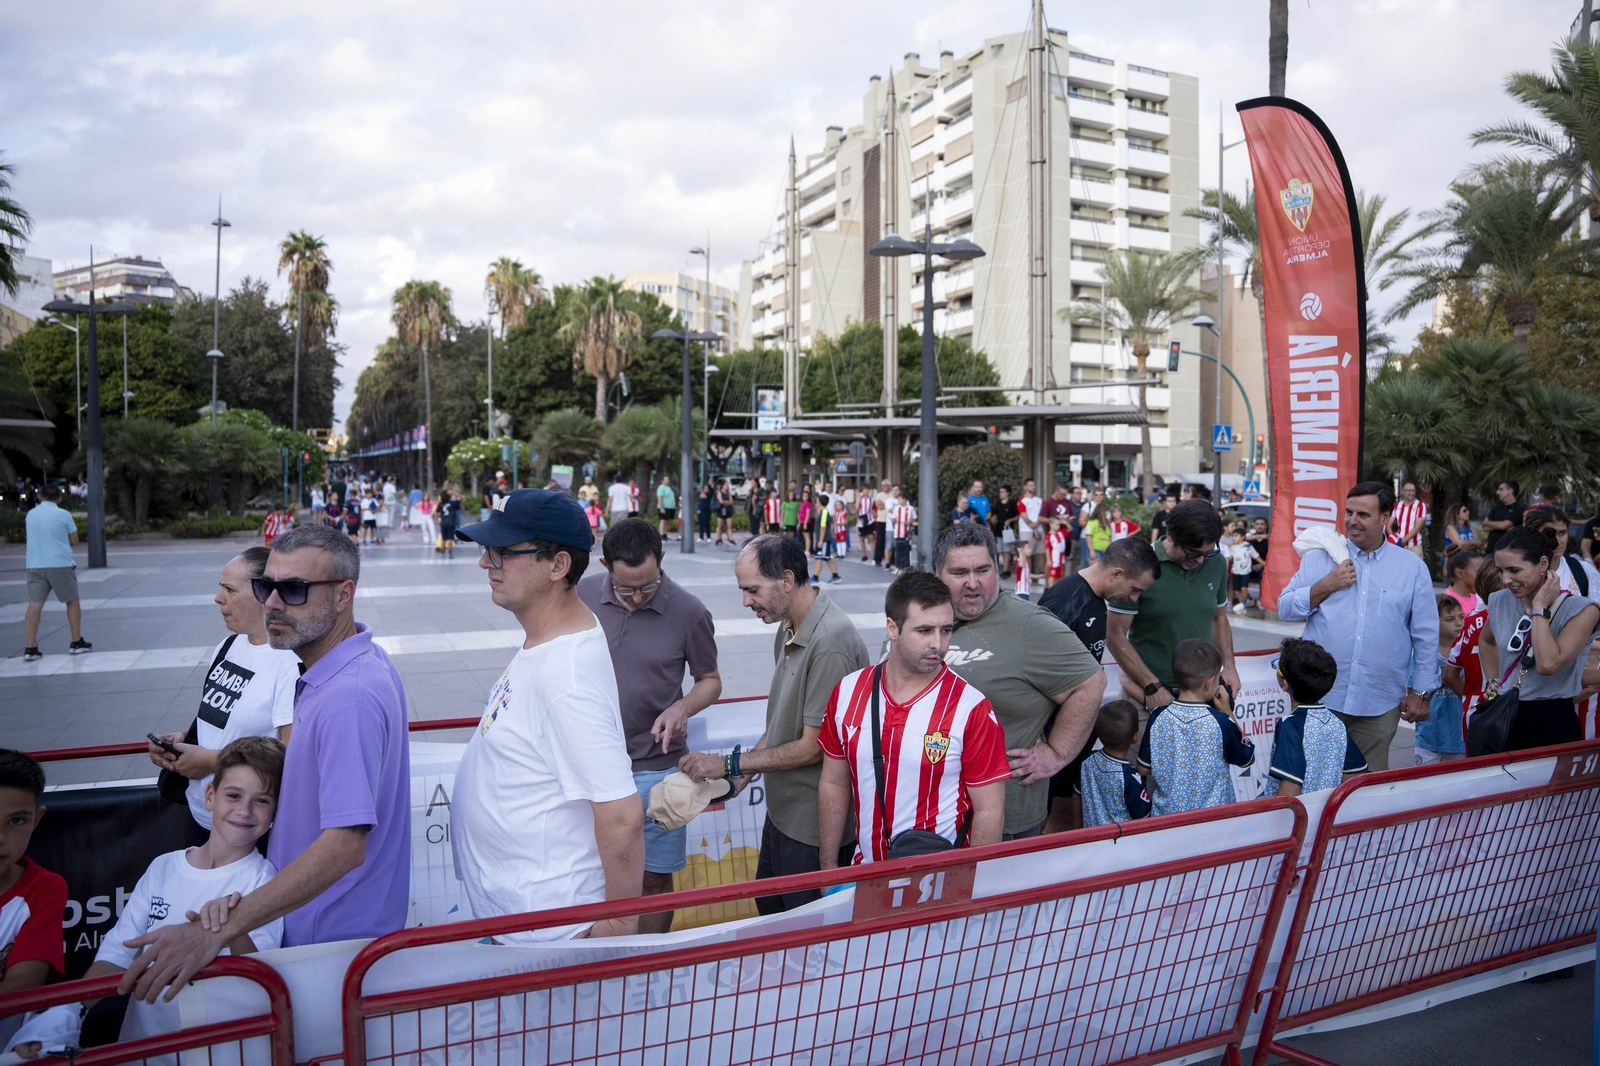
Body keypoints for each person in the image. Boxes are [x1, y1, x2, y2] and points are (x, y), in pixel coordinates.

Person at [120, 526, 412, 1002]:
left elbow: (344, 846)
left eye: (294, 589)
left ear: (343, 595)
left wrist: (219, 930)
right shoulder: (352, 662)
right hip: (323, 932)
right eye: (265, 586)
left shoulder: (348, 697)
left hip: (328, 946)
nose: (272, 603)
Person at [10, 738, 287, 1056]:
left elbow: (262, 980)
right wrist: (69, 1010)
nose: (244, 811)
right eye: (233, 795)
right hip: (143, 1046)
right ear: (210, 796)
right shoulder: (163, 867)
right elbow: (119, 951)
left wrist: (233, 928)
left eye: (261, 800)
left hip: (223, 1052)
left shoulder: (264, 880)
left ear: (276, 810)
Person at [452, 490, 643, 941]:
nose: (485, 563)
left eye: (501, 551)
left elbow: (622, 816)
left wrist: (617, 925)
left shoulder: (567, 677)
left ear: (558, 565)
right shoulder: (549, 643)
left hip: (553, 933)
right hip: (523, 919)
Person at [678, 535, 870, 913]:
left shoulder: (830, 642)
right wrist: (742, 775)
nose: (745, 601)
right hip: (783, 816)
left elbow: (812, 748)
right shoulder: (789, 625)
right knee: (769, 909)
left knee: (803, 931)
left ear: (786, 580)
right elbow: (783, 721)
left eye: (752, 590)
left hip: (812, 828)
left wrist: (729, 763)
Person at [817, 571, 1008, 867]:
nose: (938, 644)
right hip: (865, 872)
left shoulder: (972, 708)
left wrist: (972, 882)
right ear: (892, 628)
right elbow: (833, 782)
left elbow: (989, 809)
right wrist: (828, 868)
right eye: (924, 630)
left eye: (946, 630)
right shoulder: (847, 691)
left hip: (938, 880)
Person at [931, 523, 1106, 840]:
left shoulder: (1030, 624)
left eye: (983, 570)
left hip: (1002, 820)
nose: (973, 583)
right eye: (959, 573)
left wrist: (1057, 754)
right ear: (937, 574)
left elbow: (1091, 682)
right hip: (928, 810)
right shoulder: (924, 616)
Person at [1277, 482, 1440, 772]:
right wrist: (1326, 585)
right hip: (1320, 699)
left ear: (1385, 517)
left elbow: (1426, 635)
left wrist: (1421, 693)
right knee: (1312, 783)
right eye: (1349, 512)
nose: (1353, 521)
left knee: (1365, 787)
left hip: (1378, 703)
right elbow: (1285, 609)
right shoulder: (1321, 558)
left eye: (1363, 514)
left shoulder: (1411, 568)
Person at [147, 548, 299, 835]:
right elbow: (224, 719)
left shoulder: (289, 663)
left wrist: (209, 761)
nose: (218, 598)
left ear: (266, 595)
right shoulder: (228, 646)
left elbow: (292, 755)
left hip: (248, 826)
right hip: (200, 811)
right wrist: (182, 739)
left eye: (230, 589)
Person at [1038, 536, 1161, 832]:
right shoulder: (1064, 600)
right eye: (1135, 589)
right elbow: (1035, 671)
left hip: (1075, 732)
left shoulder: (1098, 600)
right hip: (1050, 736)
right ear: (1117, 573)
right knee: (1044, 817)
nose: (1134, 599)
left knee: (1065, 813)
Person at [1108, 500, 1242, 714]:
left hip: (1204, 698)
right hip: (1150, 697)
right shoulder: (1138, 565)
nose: (1200, 560)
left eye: (1207, 552)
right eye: (1192, 553)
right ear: (1170, 536)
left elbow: (1218, 618)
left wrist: (1230, 667)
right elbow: (1114, 635)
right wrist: (1152, 686)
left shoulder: (1216, 562)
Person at [1479, 526, 1600, 751]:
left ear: (1543, 564)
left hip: (1553, 721)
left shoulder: (1583, 610)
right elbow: (1486, 641)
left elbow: (1548, 664)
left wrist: (1539, 608)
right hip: (1504, 716)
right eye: (1500, 570)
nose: (1506, 579)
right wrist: (1493, 679)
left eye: (1514, 570)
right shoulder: (1499, 600)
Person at [1137, 639, 1254, 816]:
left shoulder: (1157, 716)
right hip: (1213, 820)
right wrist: (1227, 711)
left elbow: (1143, 768)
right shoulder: (1221, 721)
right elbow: (1247, 758)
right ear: (1210, 682)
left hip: (1167, 819)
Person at [0, 751, 66, 1048]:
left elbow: (23, 985)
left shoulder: (45, 889)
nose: (1, 838)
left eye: (16, 821)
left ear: (36, 820)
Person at [1262, 638, 1367, 798]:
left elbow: (1291, 788)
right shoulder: (1336, 722)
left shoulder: (1290, 725)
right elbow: (1353, 774)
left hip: (1298, 813)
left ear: (1284, 683)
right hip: (1327, 811)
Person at [21, 484, 89, 662]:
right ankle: (76, 642)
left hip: (35, 564)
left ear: (40, 497)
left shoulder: (31, 514)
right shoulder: (63, 514)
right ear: (59, 498)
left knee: (35, 604)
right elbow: (74, 540)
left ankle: (30, 647)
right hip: (60, 564)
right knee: (72, 601)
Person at [1074, 700, 1151, 828]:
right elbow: (1144, 818)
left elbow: (1076, 797)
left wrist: (1078, 831)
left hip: (1090, 836)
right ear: (1136, 737)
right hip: (1121, 840)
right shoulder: (1130, 778)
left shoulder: (1087, 762)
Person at [1414, 595, 1468, 765]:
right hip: (1429, 737)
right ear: (1433, 622)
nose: (1458, 623)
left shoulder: (1467, 649)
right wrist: (1441, 679)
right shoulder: (1424, 654)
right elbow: (1413, 691)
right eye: (1450, 619)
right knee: (1426, 780)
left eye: (1461, 617)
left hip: (1460, 738)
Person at [1524, 506, 1600, 597]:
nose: (1557, 541)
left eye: (1562, 533)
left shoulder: (1583, 570)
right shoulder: (1519, 573)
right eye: (1549, 534)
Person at [1482, 480, 1525, 555]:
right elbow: (1485, 528)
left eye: (1501, 489)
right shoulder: (1496, 509)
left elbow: (1503, 525)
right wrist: (1502, 525)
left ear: (1510, 490)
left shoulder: (1519, 509)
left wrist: (1488, 522)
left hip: (1508, 551)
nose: (1497, 492)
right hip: (1491, 550)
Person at [810, 494, 844, 586]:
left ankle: (816, 577)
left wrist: (821, 540)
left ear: (820, 502)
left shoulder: (824, 512)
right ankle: (834, 576)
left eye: (817, 501)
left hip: (824, 540)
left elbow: (823, 527)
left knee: (821, 557)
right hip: (822, 539)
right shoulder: (822, 511)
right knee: (824, 557)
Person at [1388, 481, 1429, 558]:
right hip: (1398, 546)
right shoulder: (1397, 506)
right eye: (1409, 490)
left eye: (1413, 490)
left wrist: (1403, 541)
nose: (1412, 493)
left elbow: (1417, 528)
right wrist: (1393, 539)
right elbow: (1388, 525)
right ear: (1402, 491)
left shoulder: (1420, 506)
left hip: (1414, 546)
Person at [1227, 524, 1261, 614]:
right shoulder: (1232, 548)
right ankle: (1241, 606)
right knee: (1238, 590)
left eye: (1236, 536)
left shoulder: (1248, 546)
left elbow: (1256, 556)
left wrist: (1263, 563)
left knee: (1244, 588)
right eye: (1233, 536)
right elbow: (1229, 558)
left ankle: (1244, 603)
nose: (1234, 538)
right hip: (1235, 571)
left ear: (1242, 537)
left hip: (1245, 571)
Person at [889, 488, 915, 572]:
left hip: (906, 532)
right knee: (898, 550)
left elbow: (914, 519)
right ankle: (898, 566)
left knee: (905, 551)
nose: (899, 501)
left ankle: (905, 567)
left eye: (900, 499)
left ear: (904, 499)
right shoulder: (896, 508)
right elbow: (893, 518)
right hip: (897, 532)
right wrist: (893, 520)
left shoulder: (910, 508)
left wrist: (909, 522)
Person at [872, 479, 893, 567]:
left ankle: (890, 559)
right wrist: (888, 505)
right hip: (881, 519)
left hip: (890, 520)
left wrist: (884, 505)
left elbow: (893, 507)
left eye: (885, 485)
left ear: (889, 486)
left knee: (890, 540)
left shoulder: (892, 494)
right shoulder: (879, 495)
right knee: (880, 540)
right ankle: (877, 559)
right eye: (882, 485)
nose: (883, 487)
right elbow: (879, 506)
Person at [1044, 516, 1068, 589]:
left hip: (1061, 558)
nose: (1058, 526)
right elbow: (1047, 549)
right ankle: (1050, 589)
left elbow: (1070, 529)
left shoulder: (1061, 532)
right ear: (1051, 524)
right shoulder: (1049, 536)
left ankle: (1057, 589)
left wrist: (1065, 523)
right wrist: (1048, 560)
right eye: (1056, 525)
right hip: (1054, 558)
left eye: (1059, 525)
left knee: (1059, 575)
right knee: (1052, 575)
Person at [436, 484, 461, 556]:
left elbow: (437, 512)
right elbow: (460, 497)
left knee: (443, 538)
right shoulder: (452, 502)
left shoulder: (441, 504)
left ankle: (442, 552)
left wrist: (437, 520)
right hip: (451, 522)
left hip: (443, 522)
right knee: (450, 538)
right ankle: (450, 552)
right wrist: (453, 493)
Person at [656, 475, 677, 541]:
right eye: (666, 479)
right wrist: (661, 507)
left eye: (668, 479)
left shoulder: (669, 488)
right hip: (664, 507)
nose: (668, 480)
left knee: (668, 521)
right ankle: (661, 535)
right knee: (663, 521)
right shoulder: (661, 488)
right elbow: (659, 497)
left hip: (670, 507)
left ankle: (665, 534)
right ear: (662, 481)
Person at [858, 487, 875, 563]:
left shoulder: (872, 499)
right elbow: (857, 508)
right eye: (864, 490)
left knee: (871, 537)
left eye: (867, 489)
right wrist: (857, 498)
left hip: (870, 520)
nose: (865, 491)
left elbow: (874, 509)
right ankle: (864, 555)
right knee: (862, 538)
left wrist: (875, 517)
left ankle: (874, 555)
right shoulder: (860, 499)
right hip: (861, 520)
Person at [715, 480, 735, 545]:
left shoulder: (729, 493)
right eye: (726, 485)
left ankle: (730, 539)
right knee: (720, 526)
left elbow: (731, 502)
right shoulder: (719, 493)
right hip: (721, 511)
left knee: (729, 526)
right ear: (722, 486)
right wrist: (727, 502)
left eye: (727, 485)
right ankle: (718, 539)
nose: (727, 486)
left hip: (728, 511)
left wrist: (725, 502)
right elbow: (721, 501)